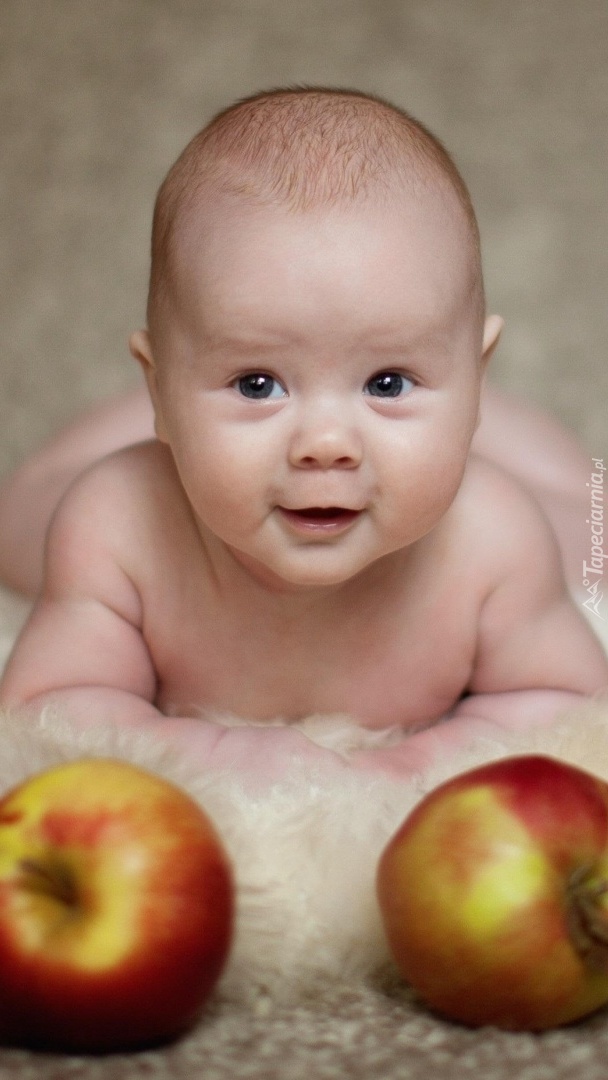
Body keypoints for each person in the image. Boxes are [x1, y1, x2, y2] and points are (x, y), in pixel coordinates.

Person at [0, 87, 605, 786]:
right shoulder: (116, 524)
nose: (325, 444)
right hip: (153, 451)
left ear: (476, 374)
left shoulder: (496, 541)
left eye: (387, 380)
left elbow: (569, 704)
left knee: (593, 540)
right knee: (21, 522)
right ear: (157, 389)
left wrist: (414, 765)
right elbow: (44, 709)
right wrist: (221, 754)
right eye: (257, 382)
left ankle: (452, 401)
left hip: (480, 452)